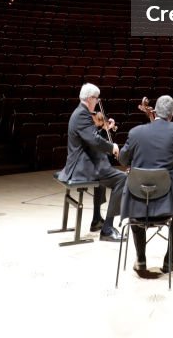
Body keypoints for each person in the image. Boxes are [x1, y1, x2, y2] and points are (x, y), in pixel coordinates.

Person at [119, 94, 173, 276]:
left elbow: (122, 158)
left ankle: (140, 259)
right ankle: (171, 258)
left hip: (139, 204)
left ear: (155, 111)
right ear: (171, 114)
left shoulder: (135, 132)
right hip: (167, 204)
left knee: (135, 193)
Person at [57, 82, 125, 241]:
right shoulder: (82, 114)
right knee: (122, 179)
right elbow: (93, 140)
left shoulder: (82, 113)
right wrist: (112, 146)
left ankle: (96, 220)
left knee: (103, 175)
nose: (97, 102)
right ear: (89, 99)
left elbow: (89, 136)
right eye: (96, 99)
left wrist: (104, 129)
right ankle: (107, 229)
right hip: (82, 167)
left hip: (86, 162)